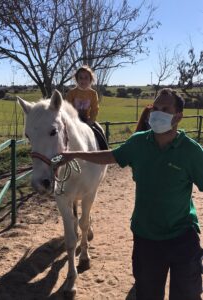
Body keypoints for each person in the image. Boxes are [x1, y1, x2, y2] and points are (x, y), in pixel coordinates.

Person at [60, 88, 203, 300]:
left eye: (165, 109)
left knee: (187, 295)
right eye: (156, 108)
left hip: (182, 236)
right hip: (146, 236)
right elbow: (110, 156)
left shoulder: (192, 151)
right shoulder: (138, 143)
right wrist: (73, 154)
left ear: (178, 116)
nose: (157, 113)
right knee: (147, 294)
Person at [66, 65, 108, 150]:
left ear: (90, 80)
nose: (83, 80)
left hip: (87, 119)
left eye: (86, 78)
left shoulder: (93, 93)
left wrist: (91, 121)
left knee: (99, 131)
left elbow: (95, 109)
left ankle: (104, 151)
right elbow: (67, 108)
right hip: (73, 120)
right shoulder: (71, 93)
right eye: (80, 78)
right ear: (77, 79)